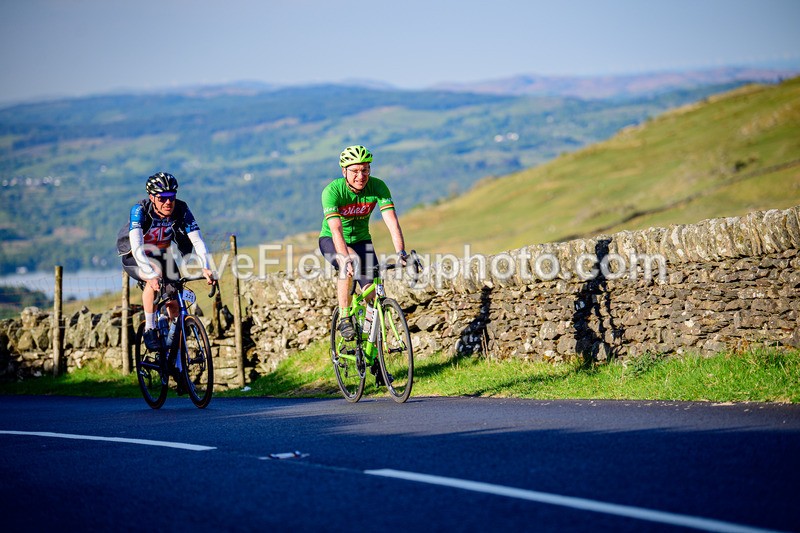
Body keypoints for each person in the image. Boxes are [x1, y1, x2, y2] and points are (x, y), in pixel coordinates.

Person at [319, 145, 409, 384]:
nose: (361, 176)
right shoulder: (332, 191)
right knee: (350, 263)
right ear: (344, 171)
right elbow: (336, 229)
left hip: (362, 241)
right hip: (332, 239)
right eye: (356, 171)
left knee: (375, 298)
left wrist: (401, 251)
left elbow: (392, 222)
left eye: (366, 170)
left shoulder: (378, 186)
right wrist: (345, 258)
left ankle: (377, 363)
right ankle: (345, 317)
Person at [116, 172, 215, 351]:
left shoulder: (181, 209)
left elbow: (198, 241)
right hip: (136, 256)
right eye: (162, 198)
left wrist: (206, 268)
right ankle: (150, 329)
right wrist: (151, 275)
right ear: (152, 197)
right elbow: (137, 247)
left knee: (174, 302)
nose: (168, 202)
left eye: (172, 197)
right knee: (154, 276)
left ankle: (175, 357)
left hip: (162, 255)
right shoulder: (139, 210)